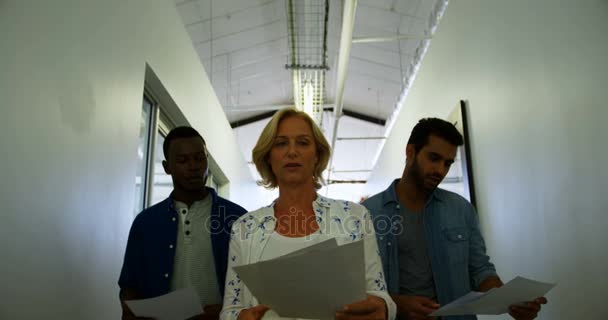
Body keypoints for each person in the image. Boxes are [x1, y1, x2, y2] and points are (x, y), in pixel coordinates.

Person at [220, 108, 396, 320]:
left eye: (303, 142)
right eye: (281, 143)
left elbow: (379, 295)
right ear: (268, 157)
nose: (292, 152)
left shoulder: (355, 217)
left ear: (317, 155)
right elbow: (229, 311)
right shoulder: (245, 227)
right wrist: (240, 318)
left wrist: (383, 308)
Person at [362, 118, 547, 320]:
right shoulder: (367, 214)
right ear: (410, 152)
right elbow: (358, 287)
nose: (440, 170)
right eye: (434, 158)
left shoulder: (461, 209)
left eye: (447, 163)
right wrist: (397, 304)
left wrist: (510, 300)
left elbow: (480, 270)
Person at [119, 126, 247, 320]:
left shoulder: (237, 218)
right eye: (182, 160)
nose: (193, 166)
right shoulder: (145, 223)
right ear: (166, 167)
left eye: (199, 158)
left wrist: (224, 311)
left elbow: (254, 286)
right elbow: (129, 286)